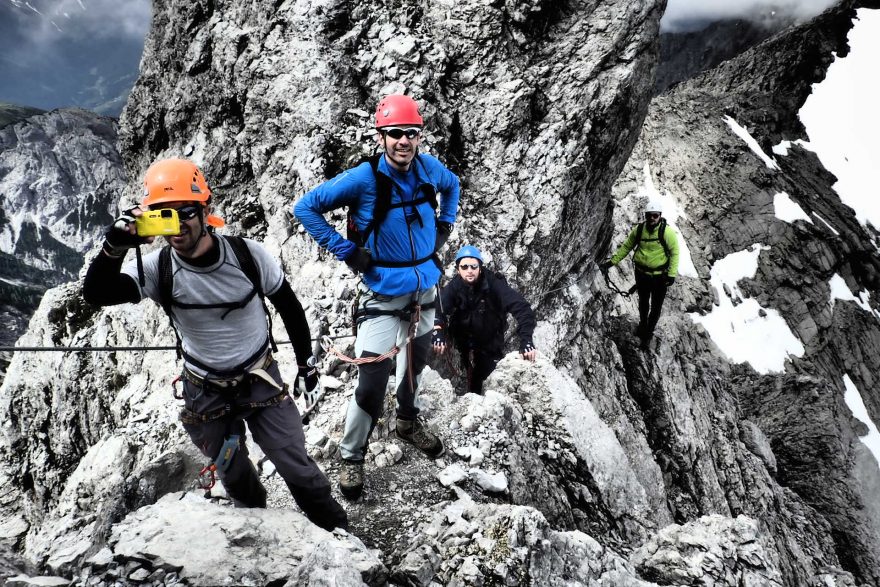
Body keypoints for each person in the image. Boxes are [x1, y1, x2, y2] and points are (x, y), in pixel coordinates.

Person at [82, 158, 347, 531]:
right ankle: (260, 535)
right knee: (234, 474)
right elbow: (96, 293)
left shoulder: (247, 256)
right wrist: (114, 246)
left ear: (205, 210)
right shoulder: (157, 268)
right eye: (163, 213)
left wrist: (306, 365)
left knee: (295, 466)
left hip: (260, 381)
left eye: (185, 211)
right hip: (205, 393)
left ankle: (338, 532)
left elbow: (288, 305)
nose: (177, 224)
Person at [294, 94, 460, 500]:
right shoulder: (364, 179)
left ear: (419, 137)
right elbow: (305, 208)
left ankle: (407, 421)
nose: (404, 141)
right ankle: (351, 456)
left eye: (411, 134)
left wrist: (446, 224)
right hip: (383, 295)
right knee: (371, 380)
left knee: (415, 367)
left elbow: (453, 185)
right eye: (396, 134)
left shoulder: (427, 168)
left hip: (424, 290)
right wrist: (348, 250)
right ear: (382, 136)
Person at [432, 245, 537, 394]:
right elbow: (438, 309)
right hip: (462, 345)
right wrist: (438, 331)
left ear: (480, 267)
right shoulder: (455, 286)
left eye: (474, 266)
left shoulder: (494, 285)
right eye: (465, 266)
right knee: (465, 386)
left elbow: (522, 308)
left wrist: (526, 340)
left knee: (488, 387)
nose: (469, 270)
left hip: (489, 346)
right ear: (458, 269)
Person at [600, 198, 679, 349]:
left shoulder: (667, 232)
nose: (651, 218)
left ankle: (648, 335)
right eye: (649, 215)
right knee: (643, 304)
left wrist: (672, 274)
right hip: (641, 274)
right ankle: (643, 326)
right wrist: (611, 262)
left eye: (654, 215)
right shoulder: (639, 230)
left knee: (656, 307)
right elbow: (626, 247)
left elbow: (675, 253)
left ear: (660, 216)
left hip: (659, 277)